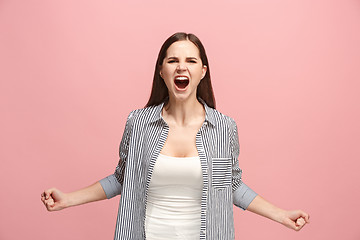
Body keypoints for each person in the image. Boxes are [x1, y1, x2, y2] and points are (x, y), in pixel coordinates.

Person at [41, 32, 310, 239]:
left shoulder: (224, 128)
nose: (182, 67)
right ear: (162, 71)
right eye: (173, 61)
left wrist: (281, 215)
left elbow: (232, 185)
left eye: (191, 61)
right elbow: (122, 178)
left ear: (202, 72)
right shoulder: (138, 123)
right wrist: (68, 199)